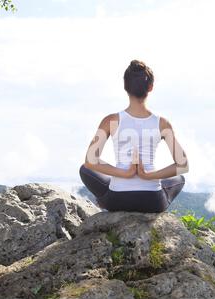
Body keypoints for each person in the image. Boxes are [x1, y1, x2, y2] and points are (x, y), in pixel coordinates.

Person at [79, 60, 189, 213]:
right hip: (152, 201)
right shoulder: (162, 123)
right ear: (150, 87)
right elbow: (183, 165)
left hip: (117, 200)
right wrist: (150, 175)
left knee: (85, 169)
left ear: (125, 86)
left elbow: (90, 161)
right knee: (179, 179)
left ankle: (105, 201)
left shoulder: (110, 120)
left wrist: (124, 173)